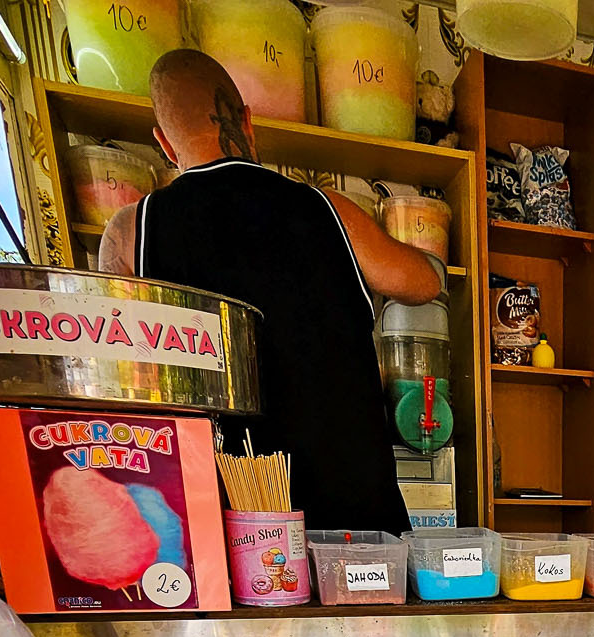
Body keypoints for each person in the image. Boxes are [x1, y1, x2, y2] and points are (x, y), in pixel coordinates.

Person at [100, 49, 443, 532]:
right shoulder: (329, 210)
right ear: (247, 121)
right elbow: (424, 282)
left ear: (165, 144)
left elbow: (122, 385)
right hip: (354, 514)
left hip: (223, 519)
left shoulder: (131, 231)